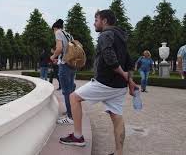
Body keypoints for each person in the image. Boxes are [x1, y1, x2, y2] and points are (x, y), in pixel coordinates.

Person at [59, 10, 138, 155]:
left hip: (105, 82)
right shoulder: (121, 37)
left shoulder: (105, 35)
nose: (94, 23)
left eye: (96, 20)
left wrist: (122, 73)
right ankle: (119, 152)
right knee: (117, 117)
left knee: (73, 97)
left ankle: (77, 137)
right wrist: (129, 80)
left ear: (105, 21)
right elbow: (129, 62)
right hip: (119, 86)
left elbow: (109, 56)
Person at [50, 19, 76, 125]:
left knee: (66, 91)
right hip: (71, 64)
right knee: (71, 89)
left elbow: (59, 48)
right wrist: (59, 59)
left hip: (65, 65)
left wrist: (53, 56)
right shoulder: (69, 34)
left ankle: (70, 117)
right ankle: (72, 112)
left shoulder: (58, 32)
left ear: (55, 28)